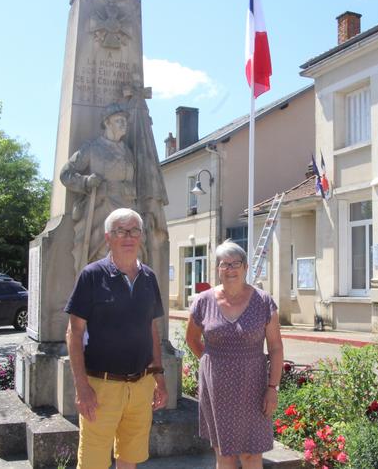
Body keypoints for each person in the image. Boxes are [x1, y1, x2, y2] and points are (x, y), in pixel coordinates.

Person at [65, 208, 168, 469]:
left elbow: (152, 329)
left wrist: (158, 376)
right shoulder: (92, 275)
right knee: (93, 463)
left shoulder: (149, 278)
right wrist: (81, 387)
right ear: (108, 237)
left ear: (141, 236)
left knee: (130, 459)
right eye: (121, 231)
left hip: (141, 385)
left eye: (134, 230)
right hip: (101, 387)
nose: (128, 237)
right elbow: (74, 333)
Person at [185, 241, 284, 469]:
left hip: (254, 388)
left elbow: (276, 348)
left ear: (246, 267)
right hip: (217, 389)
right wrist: (211, 363)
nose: (230, 269)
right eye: (224, 264)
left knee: (251, 455)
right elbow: (192, 339)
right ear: (217, 269)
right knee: (224, 454)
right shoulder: (203, 302)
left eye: (235, 263)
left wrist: (272, 388)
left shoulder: (263, 301)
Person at [60, 103, 137, 273]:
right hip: (101, 208)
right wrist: (86, 181)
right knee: (101, 253)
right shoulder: (92, 148)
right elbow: (66, 174)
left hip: (127, 210)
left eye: (125, 120)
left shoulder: (128, 152)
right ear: (107, 123)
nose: (124, 124)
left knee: (129, 255)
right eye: (119, 120)